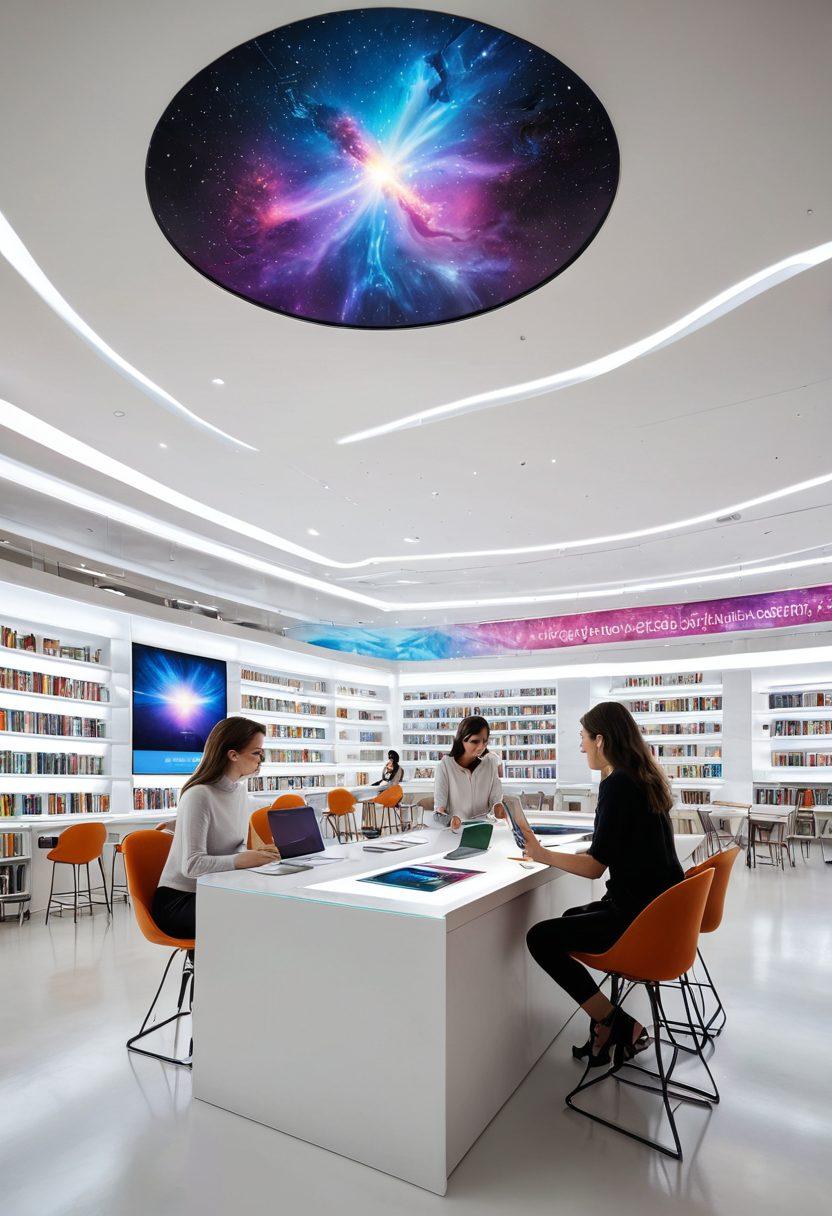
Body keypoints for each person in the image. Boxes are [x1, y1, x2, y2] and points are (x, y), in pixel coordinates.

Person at [523, 701, 684, 1066]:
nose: (580, 748)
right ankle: (605, 1027)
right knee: (570, 915)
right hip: (662, 914)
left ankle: (615, 1023)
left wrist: (541, 854)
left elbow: (596, 867)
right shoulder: (643, 777)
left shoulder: (618, 785)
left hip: (637, 920)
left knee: (540, 938)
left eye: (583, 739)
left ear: (601, 739)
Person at [152, 717, 280, 941]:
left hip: (216, 890)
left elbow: (234, 845)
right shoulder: (199, 795)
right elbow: (191, 866)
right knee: (260, 916)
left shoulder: (239, 792)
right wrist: (244, 860)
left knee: (270, 907)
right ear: (233, 755)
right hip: (180, 901)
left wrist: (257, 855)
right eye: (257, 753)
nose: (261, 760)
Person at [434, 715, 506, 830]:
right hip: (456, 832)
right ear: (461, 739)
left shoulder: (491, 762)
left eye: (485, 741)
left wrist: (499, 808)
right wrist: (450, 820)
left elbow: (496, 801)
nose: (481, 747)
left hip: (484, 830)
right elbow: (438, 812)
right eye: (475, 741)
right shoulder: (445, 765)